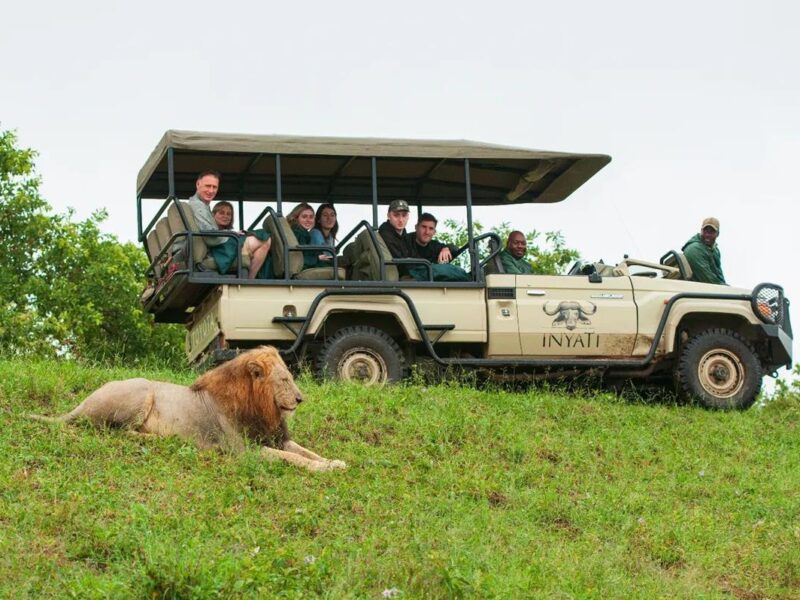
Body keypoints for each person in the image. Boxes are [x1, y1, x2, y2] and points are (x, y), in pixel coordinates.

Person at [187, 171, 270, 279]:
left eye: (214, 187)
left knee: (260, 236)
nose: (211, 191)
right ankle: (250, 281)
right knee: (265, 240)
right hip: (216, 249)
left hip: (218, 242)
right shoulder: (198, 207)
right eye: (208, 186)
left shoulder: (201, 204)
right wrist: (230, 233)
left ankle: (250, 277)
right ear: (198, 184)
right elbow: (210, 237)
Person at [406, 213, 471, 282]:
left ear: (434, 232)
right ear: (416, 227)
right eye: (424, 227)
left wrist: (446, 248)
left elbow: (454, 248)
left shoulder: (435, 245)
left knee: (453, 271)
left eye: (431, 229)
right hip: (410, 280)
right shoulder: (406, 241)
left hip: (431, 285)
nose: (427, 232)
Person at [682, 217, 726, 284]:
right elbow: (709, 280)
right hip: (698, 290)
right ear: (701, 230)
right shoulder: (695, 250)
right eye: (705, 231)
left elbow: (719, 275)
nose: (707, 235)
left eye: (711, 232)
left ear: (717, 234)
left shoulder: (715, 250)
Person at [287, 202, 332, 268]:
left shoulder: (301, 232)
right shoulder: (299, 233)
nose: (308, 220)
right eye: (304, 217)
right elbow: (301, 259)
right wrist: (317, 258)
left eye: (311, 217)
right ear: (296, 218)